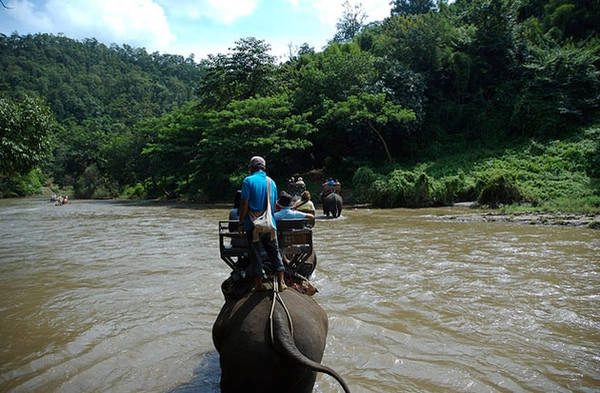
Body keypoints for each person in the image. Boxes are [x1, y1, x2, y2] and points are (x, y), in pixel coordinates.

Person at [238, 156, 287, 292]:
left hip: (253, 225)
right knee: (274, 251)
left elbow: (244, 203)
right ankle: (282, 281)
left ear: (252, 168)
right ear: (263, 168)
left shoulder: (248, 181)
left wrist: (241, 223)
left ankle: (259, 284)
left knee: (256, 254)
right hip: (270, 225)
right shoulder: (272, 182)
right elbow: (274, 205)